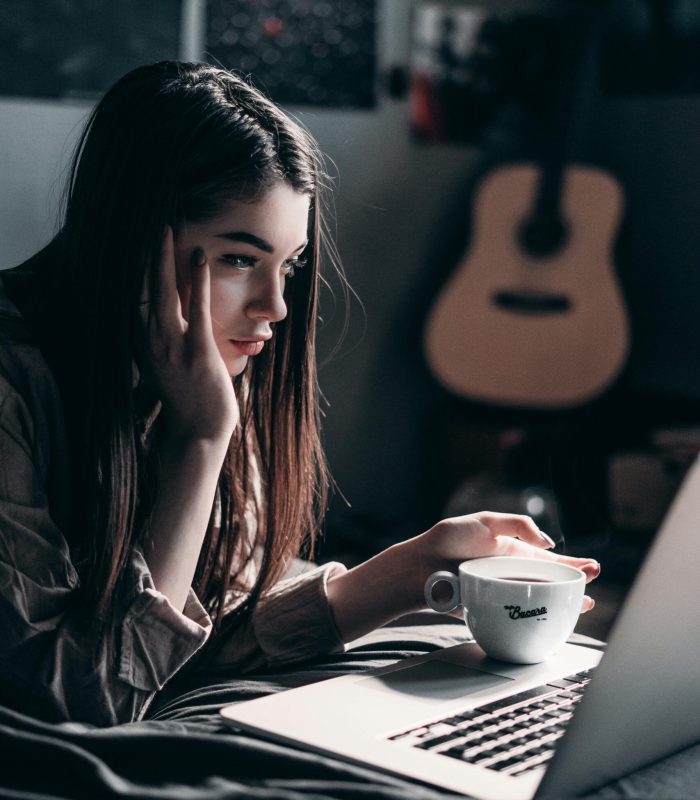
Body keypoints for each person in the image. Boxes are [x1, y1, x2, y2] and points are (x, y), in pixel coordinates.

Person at [0, 60, 600, 727]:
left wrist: (412, 570)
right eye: (238, 259)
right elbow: (91, 704)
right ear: (130, 237)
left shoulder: (198, 371)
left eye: (288, 265)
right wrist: (201, 440)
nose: (276, 306)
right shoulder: (21, 391)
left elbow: (197, 636)